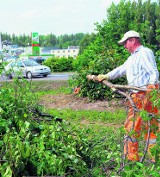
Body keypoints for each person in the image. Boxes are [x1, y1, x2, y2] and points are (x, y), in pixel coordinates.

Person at [97, 30, 159, 162]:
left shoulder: (144, 52)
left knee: (144, 126)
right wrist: (106, 76)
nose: (124, 46)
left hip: (145, 94)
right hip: (138, 95)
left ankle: (148, 159)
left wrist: (151, 88)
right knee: (139, 126)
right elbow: (121, 69)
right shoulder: (132, 58)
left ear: (133, 40)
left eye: (125, 43)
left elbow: (153, 71)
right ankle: (134, 158)